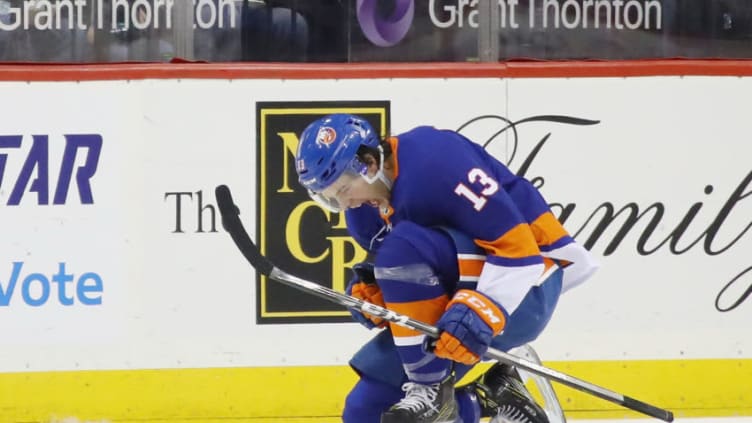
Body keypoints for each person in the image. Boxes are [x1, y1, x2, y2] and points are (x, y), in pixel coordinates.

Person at [294, 114, 599, 423]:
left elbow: (520, 251)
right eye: (331, 199)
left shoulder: (434, 159)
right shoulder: (363, 215)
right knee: (365, 411)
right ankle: (489, 399)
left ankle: (430, 391)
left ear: (370, 164)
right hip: (459, 292)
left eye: (344, 191)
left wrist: (482, 308)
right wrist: (377, 291)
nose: (345, 205)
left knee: (402, 249)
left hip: (529, 287)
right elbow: (414, 270)